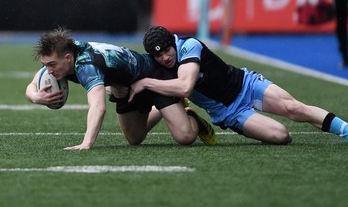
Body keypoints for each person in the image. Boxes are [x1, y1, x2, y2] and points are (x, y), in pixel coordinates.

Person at [128, 26, 348, 146]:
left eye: (167, 51)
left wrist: (146, 82)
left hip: (246, 85)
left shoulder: (188, 45)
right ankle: (191, 116)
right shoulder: (157, 63)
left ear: (173, 42)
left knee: (294, 109)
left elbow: (184, 87)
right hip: (230, 113)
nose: (165, 58)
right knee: (281, 136)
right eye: (158, 56)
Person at [25, 27, 216, 150]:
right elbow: (33, 84)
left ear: (68, 58)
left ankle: (189, 116)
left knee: (185, 136)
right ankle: (162, 110)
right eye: (46, 65)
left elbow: (98, 107)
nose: (48, 70)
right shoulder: (64, 52)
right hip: (125, 86)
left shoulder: (86, 66)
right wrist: (36, 97)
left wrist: (86, 143)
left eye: (51, 65)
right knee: (135, 139)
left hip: (153, 75)